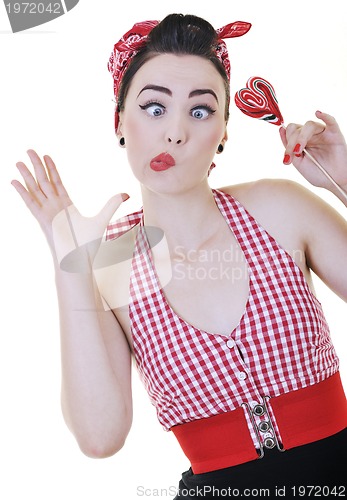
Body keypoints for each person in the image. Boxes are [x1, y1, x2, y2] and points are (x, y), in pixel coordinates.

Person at [11, 13, 347, 499]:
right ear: (119, 120)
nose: (174, 133)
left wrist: (344, 180)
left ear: (224, 132)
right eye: (153, 107)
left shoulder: (280, 208)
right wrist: (72, 267)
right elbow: (100, 437)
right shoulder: (109, 265)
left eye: (199, 111)